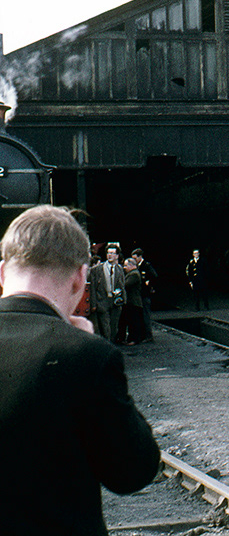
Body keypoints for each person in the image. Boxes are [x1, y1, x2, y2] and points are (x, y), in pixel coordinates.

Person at [0, 205, 160, 534]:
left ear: (2, 272)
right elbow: (133, 472)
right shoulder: (86, 355)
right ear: (79, 278)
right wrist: (87, 349)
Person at [89, 243, 125, 341]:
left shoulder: (119, 269)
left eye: (112, 253)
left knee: (114, 327)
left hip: (115, 302)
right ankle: (108, 346)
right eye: (108, 253)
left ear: (117, 255)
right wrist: (93, 304)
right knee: (105, 328)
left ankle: (111, 344)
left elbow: (122, 285)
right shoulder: (96, 270)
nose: (110, 255)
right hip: (102, 301)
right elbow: (92, 287)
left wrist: (122, 300)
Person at [131, 248, 157, 341]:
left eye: (135, 258)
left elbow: (154, 275)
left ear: (140, 257)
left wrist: (149, 283)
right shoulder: (137, 266)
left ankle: (149, 336)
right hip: (139, 294)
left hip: (145, 294)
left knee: (146, 315)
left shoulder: (146, 265)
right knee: (140, 316)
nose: (134, 260)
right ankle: (143, 335)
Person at [120, 257, 146, 344]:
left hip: (134, 302)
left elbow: (125, 285)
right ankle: (131, 338)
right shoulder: (132, 273)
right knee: (130, 321)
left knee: (134, 322)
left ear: (132, 265)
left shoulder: (134, 274)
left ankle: (134, 339)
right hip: (131, 302)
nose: (124, 267)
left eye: (126, 265)